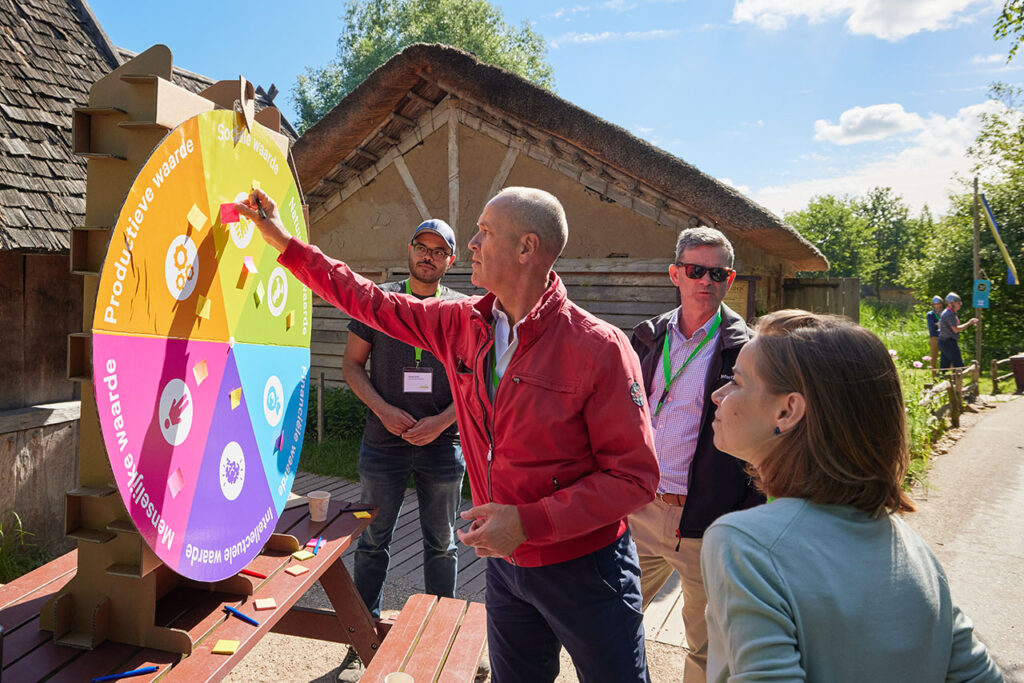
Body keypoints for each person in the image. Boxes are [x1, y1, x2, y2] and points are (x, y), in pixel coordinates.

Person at [237, 186, 660, 682]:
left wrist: (529, 522)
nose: (473, 243)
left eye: (485, 231)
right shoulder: (464, 323)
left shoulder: (599, 347)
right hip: (504, 567)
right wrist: (284, 243)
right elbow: (368, 301)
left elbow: (632, 478)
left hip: (587, 569)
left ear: (526, 248)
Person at [701, 310, 1003, 682]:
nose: (718, 395)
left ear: (787, 410)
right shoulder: (913, 550)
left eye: (736, 381)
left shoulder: (746, 544)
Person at [628, 226, 763, 682]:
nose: (706, 280)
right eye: (695, 270)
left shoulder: (748, 351)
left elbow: (765, 441)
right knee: (611, 616)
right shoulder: (647, 338)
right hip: (641, 509)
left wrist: (743, 514)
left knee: (708, 646)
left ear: (730, 278)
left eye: (717, 272)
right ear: (675, 274)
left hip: (708, 521)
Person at [338, 219, 467, 678]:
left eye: (438, 250)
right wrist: (384, 409)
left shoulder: (463, 311)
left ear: (451, 260)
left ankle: (441, 635)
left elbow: (475, 381)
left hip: (443, 443)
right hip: (382, 442)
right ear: (409, 248)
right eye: (421, 246)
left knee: (443, 545)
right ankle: (361, 639)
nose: (427, 255)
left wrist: (442, 421)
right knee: (372, 541)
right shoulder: (379, 302)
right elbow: (353, 366)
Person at [939, 292, 978, 370]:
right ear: (951, 303)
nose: (960, 304)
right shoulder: (949, 314)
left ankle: (941, 380)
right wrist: (969, 323)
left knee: (945, 365)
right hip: (948, 341)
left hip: (945, 341)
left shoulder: (951, 312)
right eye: (958, 302)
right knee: (959, 364)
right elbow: (955, 329)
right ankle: (957, 381)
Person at [926, 294, 943, 371]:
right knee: (933, 358)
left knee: (948, 356)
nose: (937, 306)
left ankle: (952, 376)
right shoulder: (931, 314)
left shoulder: (944, 313)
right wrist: (938, 324)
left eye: (939, 304)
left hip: (944, 337)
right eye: (936, 304)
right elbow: (931, 326)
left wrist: (939, 324)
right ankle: (934, 378)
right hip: (934, 338)